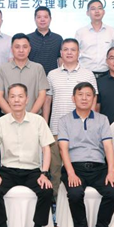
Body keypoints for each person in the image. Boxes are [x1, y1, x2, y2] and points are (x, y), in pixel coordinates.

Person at [0, 84, 54, 227]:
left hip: (32, 171)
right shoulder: (0, 123)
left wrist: (44, 173)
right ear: (8, 100)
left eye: (20, 96)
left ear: (27, 99)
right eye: (13, 96)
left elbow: (46, 149)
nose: (16, 100)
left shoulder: (38, 121)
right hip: (8, 170)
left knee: (46, 190)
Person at [57, 82, 114, 227]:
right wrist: (70, 173)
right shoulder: (64, 121)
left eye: (88, 95)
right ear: (73, 98)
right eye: (80, 95)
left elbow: (108, 147)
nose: (84, 98)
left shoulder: (102, 119)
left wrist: (111, 171)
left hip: (98, 167)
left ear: (93, 99)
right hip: (74, 167)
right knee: (75, 193)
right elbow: (63, 149)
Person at [43, 38, 97, 194]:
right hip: (56, 128)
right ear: (61, 53)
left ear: (79, 53)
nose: (69, 52)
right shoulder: (52, 74)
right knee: (55, 168)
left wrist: (90, 125)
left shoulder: (88, 74)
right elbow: (47, 100)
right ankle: (55, 200)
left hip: (80, 129)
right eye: (65, 49)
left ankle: (73, 200)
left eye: (73, 49)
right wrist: (45, 125)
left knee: (76, 167)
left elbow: (93, 101)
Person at [0, 33, 49, 117]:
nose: (21, 50)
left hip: (33, 118)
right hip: (8, 118)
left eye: (25, 47)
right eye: (17, 47)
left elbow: (42, 95)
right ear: (12, 49)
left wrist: (30, 117)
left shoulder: (38, 68)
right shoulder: (2, 69)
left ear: (29, 49)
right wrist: (14, 116)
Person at [75, 0, 114, 77]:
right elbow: (75, 54)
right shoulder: (80, 32)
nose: (97, 11)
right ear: (87, 13)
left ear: (104, 12)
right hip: (85, 74)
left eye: (100, 8)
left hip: (106, 74)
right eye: (93, 9)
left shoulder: (111, 31)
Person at [27, 6, 62, 75]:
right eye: (39, 17)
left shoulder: (58, 39)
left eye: (45, 17)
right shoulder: (27, 38)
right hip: (32, 76)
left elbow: (61, 59)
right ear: (35, 19)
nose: (42, 20)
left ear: (50, 19)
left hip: (52, 77)